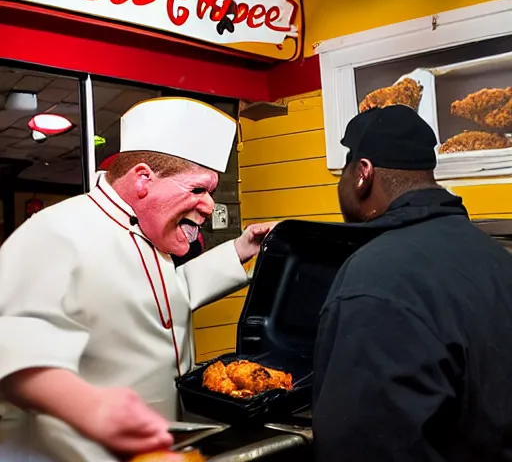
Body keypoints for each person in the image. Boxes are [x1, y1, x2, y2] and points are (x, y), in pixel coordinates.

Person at [0, 97, 275, 462]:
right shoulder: (57, 231)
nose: (209, 206)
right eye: (197, 190)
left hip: (154, 447)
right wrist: (92, 408)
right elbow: (12, 344)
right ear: (143, 178)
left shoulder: (146, 234)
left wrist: (241, 249)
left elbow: (165, 297)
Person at [313, 105, 512, 462]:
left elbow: (362, 446)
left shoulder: (374, 278)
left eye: (342, 172)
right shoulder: (495, 257)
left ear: (362, 174)